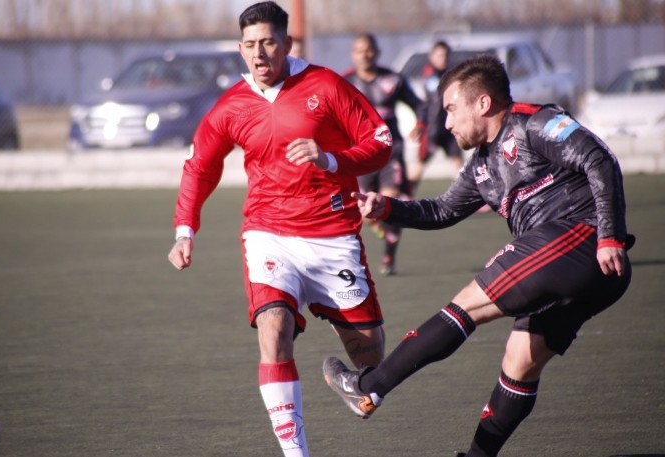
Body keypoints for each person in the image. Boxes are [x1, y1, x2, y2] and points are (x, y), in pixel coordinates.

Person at [322, 54, 634, 456]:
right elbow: (442, 210)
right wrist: (388, 207)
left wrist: (608, 235)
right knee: (520, 360)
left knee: (467, 304)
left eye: (451, 109)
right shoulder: (481, 165)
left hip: (582, 239)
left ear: (482, 104)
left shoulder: (533, 122)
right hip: (575, 268)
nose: (446, 122)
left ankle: (368, 388)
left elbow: (599, 159)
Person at [167, 2, 392, 456]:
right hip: (269, 233)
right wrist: (184, 229)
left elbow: (380, 142)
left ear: (288, 43)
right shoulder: (232, 105)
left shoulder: (325, 85)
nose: (259, 54)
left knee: (370, 359)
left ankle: (355, 373)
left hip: (333, 235)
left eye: (269, 42)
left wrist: (331, 159)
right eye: (250, 45)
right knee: (273, 330)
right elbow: (200, 166)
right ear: (240, 49)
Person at [343, 33, 426, 276]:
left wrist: (420, 123)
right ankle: (386, 231)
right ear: (353, 54)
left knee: (388, 202)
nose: (365, 55)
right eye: (359, 50)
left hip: (391, 153)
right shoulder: (343, 82)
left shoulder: (393, 79)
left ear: (377, 52)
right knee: (366, 211)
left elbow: (419, 104)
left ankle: (389, 257)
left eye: (369, 50)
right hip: (360, 156)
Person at [408, 40, 463, 193]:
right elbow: (429, 100)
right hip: (432, 128)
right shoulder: (428, 75)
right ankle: (406, 193)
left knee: (457, 160)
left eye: (445, 55)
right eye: (439, 55)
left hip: (449, 127)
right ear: (431, 57)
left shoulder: (452, 75)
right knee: (420, 163)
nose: (442, 58)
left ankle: (467, 194)